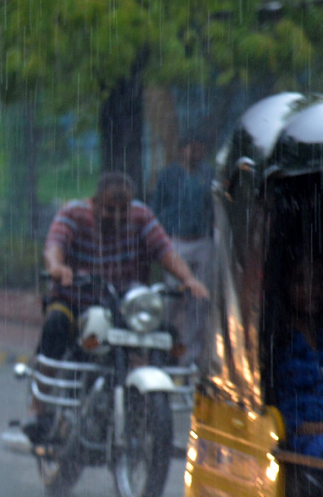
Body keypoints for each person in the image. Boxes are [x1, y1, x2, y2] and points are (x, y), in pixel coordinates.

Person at [23, 170, 210, 443]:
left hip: (124, 306)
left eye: (124, 209)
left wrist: (189, 279)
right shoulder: (73, 214)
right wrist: (57, 266)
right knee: (56, 327)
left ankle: (145, 403)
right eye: (110, 209)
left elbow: (165, 250)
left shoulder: (141, 216)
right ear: (95, 203)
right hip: (76, 301)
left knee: (167, 335)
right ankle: (38, 406)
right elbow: (55, 244)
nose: (118, 216)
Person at [274, 261, 323, 497]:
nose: (311, 290)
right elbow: (291, 426)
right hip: (309, 442)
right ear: (286, 287)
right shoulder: (281, 347)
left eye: (317, 282)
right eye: (301, 281)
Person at [150, 136, 215, 364]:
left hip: (203, 241)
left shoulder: (209, 176)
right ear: (182, 149)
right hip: (176, 241)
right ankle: (163, 344)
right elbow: (156, 208)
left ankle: (191, 354)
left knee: (200, 299)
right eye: (191, 148)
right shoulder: (169, 176)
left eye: (200, 148)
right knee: (172, 297)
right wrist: (160, 241)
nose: (195, 153)